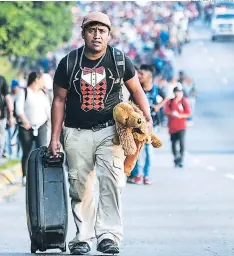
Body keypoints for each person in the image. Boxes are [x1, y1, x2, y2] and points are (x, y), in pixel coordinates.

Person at [49, 12, 153, 255]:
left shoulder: (119, 60)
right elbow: (58, 100)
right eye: (92, 30)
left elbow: (137, 90)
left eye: (102, 31)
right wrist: (54, 138)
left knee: (113, 182)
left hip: (111, 132)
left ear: (109, 34)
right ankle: (83, 237)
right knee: (80, 186)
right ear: (83, 33)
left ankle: (109, 235)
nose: (97, 35)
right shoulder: (68, 62)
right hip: (76, 133)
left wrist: (146, 120)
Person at [128, 64, 167, 185]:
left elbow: (166, 98)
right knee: (137, 151)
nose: (139, 76)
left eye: (141, 74)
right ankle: (137, 175)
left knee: (149, 151)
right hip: (137, 126)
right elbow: (129, 103)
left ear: (149, 76)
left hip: (151, 126)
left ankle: (146, 175)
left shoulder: (156, 89)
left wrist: (158, 106)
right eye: (138, 73)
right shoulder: (136, 89)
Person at [15, 71, 50, 186]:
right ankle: (25, 175)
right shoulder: (24, 92)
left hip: (41, 125)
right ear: (36, 80)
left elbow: (47, 109)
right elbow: (19, 109)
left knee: (42, 150)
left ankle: (42, 173)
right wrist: (25, 121)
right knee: (27, 151)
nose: (43, 82)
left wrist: (51, 121)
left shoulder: (42, 94)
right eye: (41, 80)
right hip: (26, 127)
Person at [164, 85, 191, 168]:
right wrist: (171, 113)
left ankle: (181, 159)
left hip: (182, 126)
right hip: (172, 126)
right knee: (173, 143)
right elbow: (166, 111)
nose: (178, 94)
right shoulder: (170, 102)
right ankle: (176, 157)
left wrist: (180, 116)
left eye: (180, 92)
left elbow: (188, 113)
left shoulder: (184, 101)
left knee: (182, 143)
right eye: (177, 92)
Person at [0, 75, 14, 163]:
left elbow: (8, 98)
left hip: (1, 117)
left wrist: (11, 116)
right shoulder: (2, 79)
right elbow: (8, 98)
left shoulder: (2, 80)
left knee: (1, 138)